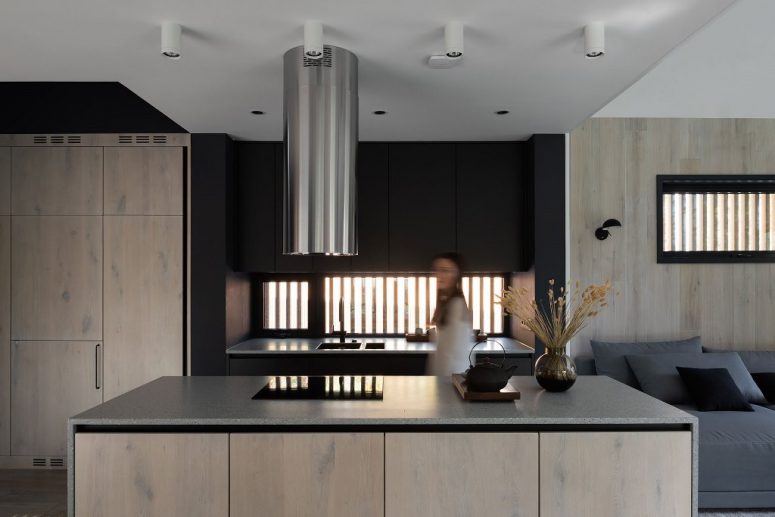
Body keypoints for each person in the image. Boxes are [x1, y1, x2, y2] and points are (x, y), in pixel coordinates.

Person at [426, 252, 473, 376]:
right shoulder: (446, 300)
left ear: (456, 274)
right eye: (437, 270)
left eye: (445, 270)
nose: (439, 275)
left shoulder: (456, 303)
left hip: (453, 375)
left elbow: (456, 350)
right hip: (446, 374)